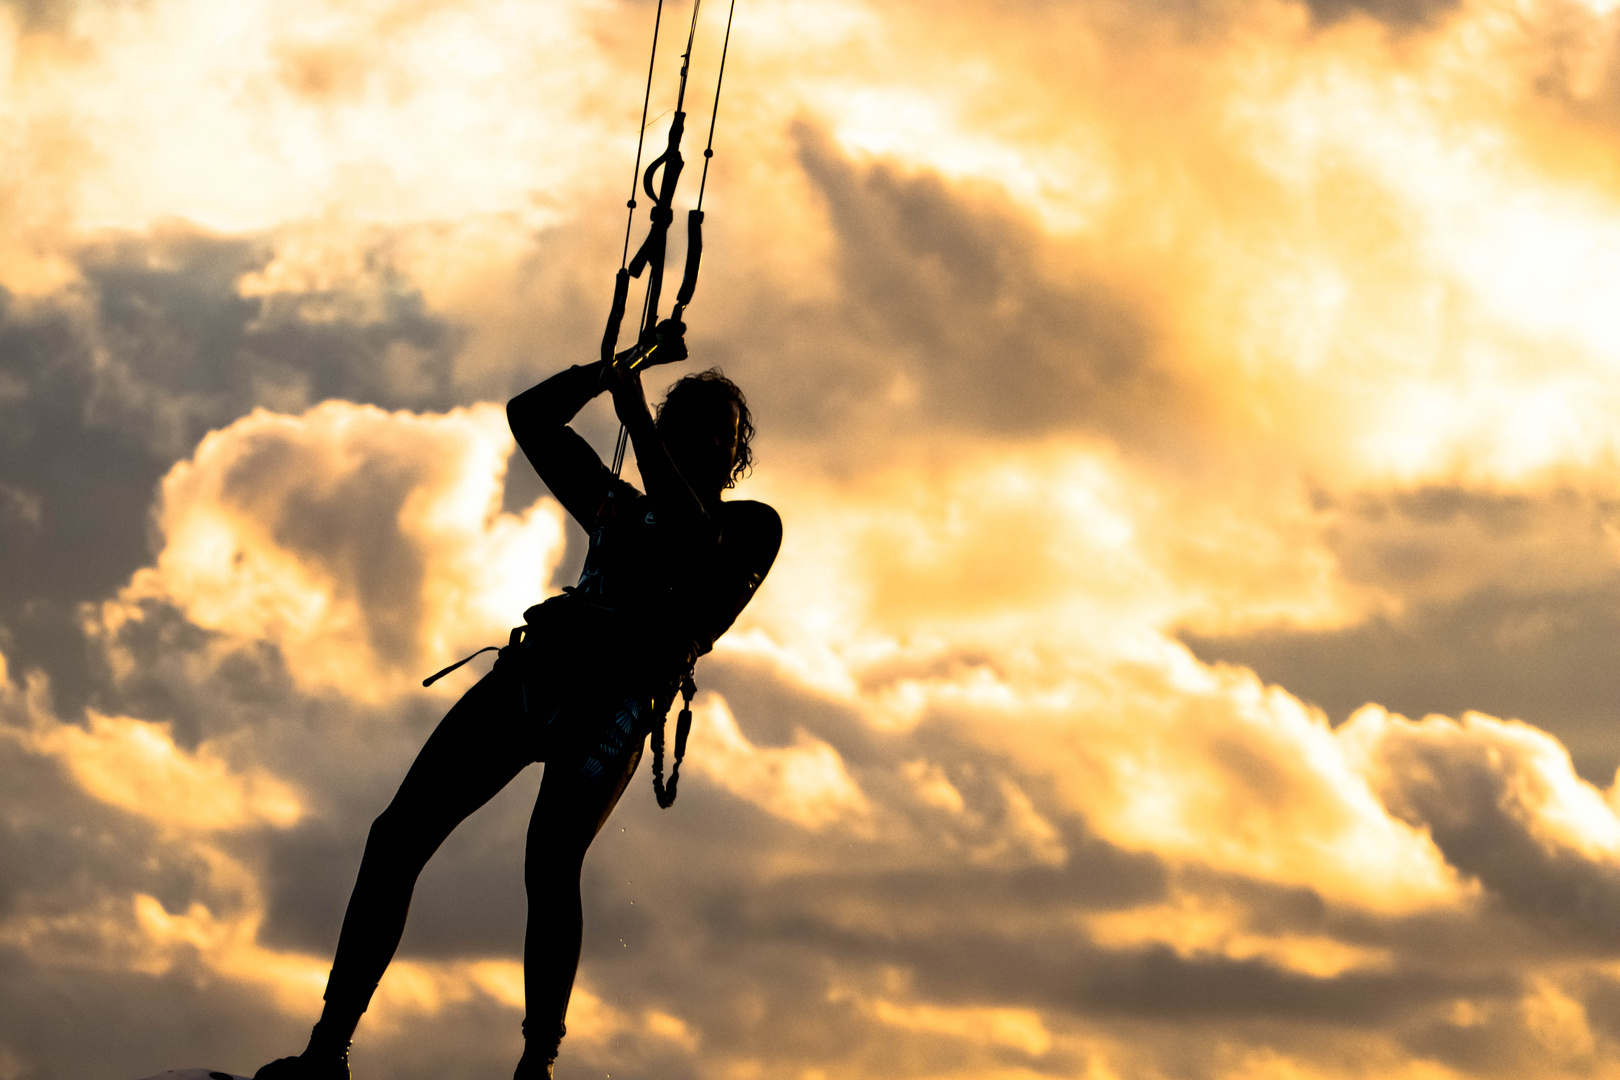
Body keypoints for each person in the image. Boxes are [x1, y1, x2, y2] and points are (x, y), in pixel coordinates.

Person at [254, 339, 782, 1080]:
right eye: (685, 427)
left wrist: (635, 408)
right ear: (665, 435)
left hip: (615, 707)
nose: (701, 444)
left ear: (735, 457)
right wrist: (614, 369)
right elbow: (529, 417)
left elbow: (692, 539)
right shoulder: (616, 508)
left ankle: (536, 1067)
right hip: (539, 675)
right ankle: (328, 1048)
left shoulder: (749, 528)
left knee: (549, 859)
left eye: (718, 436)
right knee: (396, 834)